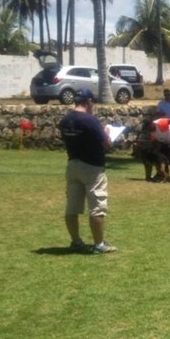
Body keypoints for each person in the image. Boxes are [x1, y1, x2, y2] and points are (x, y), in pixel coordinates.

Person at [58, 89, 116, 254]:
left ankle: (76, 241)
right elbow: (106, 144)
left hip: (72, 164)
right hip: (92, 167)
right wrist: (107, 134)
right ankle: (99, 244)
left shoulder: (65, 120)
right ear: (88, 101)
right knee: (97, 206)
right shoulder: (90, 120)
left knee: (72, 207)